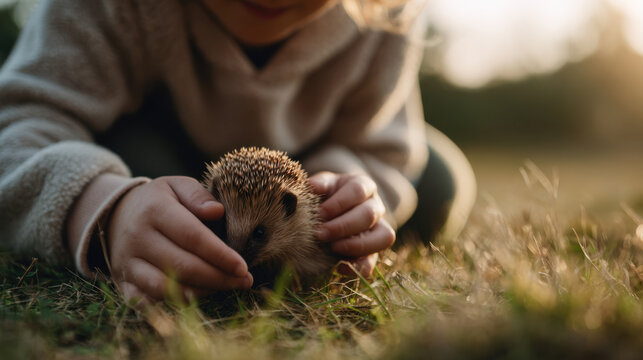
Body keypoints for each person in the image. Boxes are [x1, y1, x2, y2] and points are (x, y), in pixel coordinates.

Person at [0, 0, 475, 303]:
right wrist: (104, 206)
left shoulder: (385, 15)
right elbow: (15, 129)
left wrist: (342, 190)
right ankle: (146, 216)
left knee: (437, 181)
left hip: (301, 174)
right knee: (132, 155)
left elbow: (382, 147)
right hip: (141, 165)